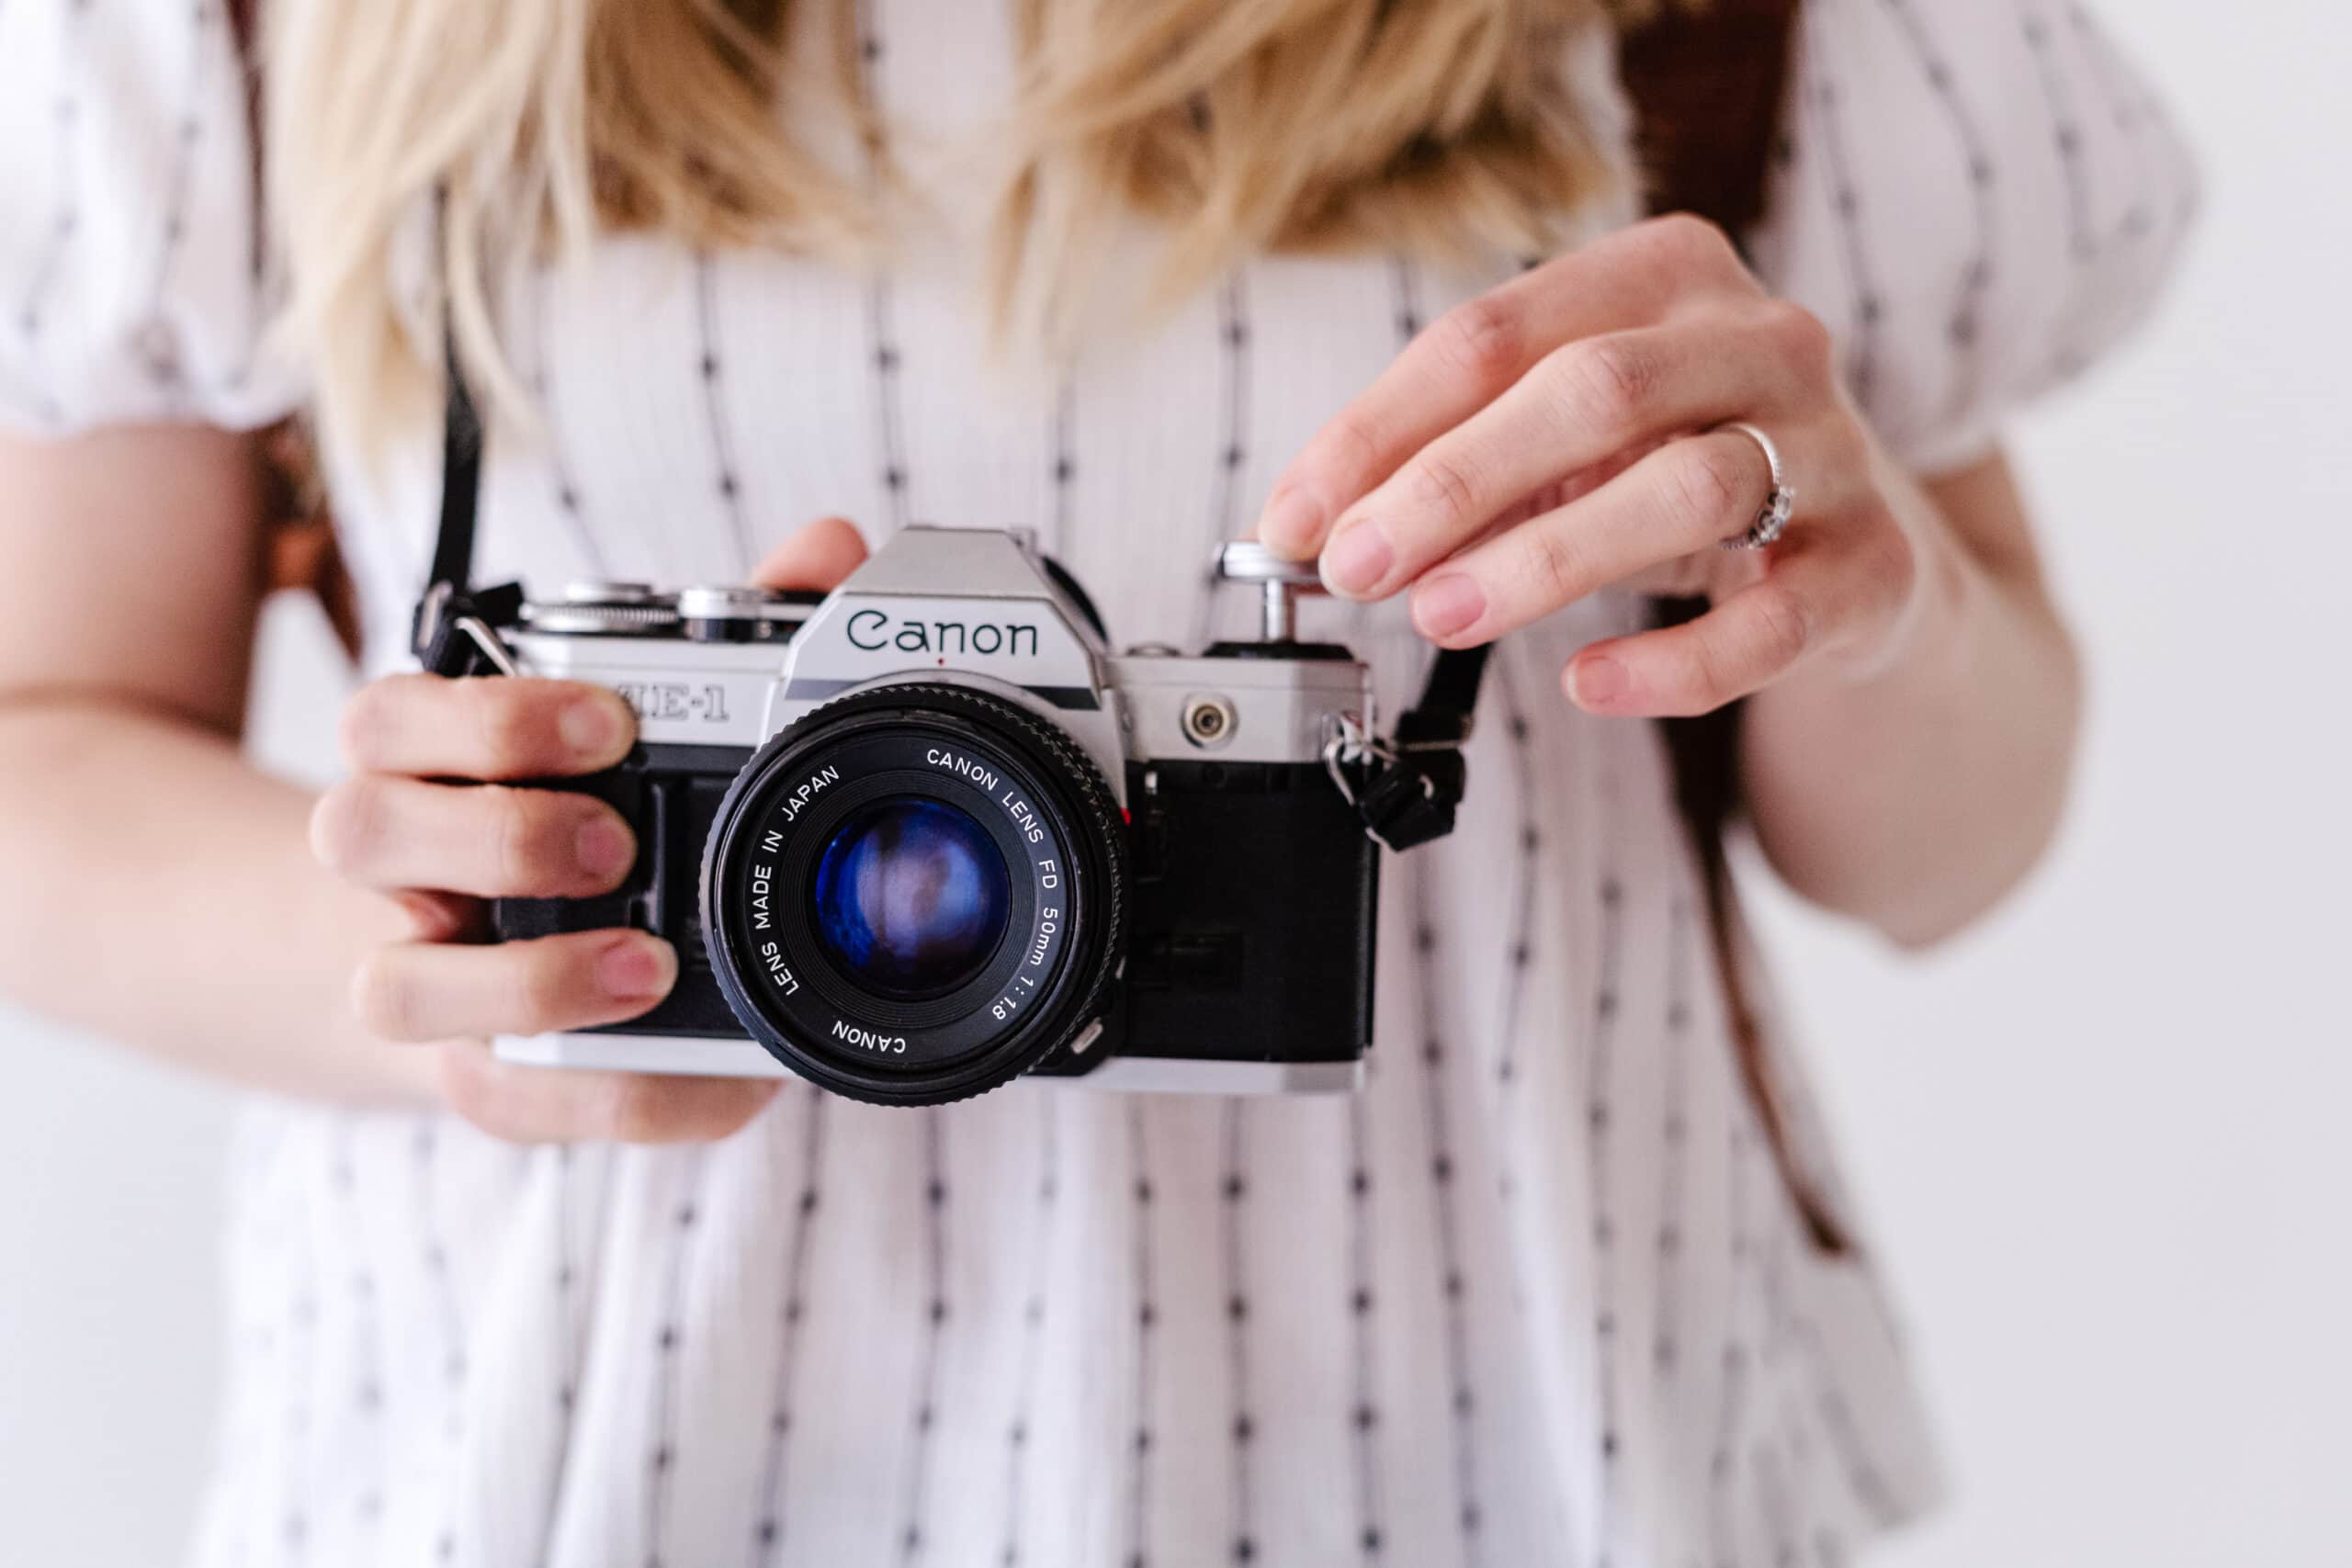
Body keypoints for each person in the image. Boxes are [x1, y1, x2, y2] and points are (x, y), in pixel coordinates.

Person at [0, 1, 2195, 1563]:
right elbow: (43, 754)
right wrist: (460, 938)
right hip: (571, 1458)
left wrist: (1862, 582)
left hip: (1505, 1451)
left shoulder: (1739, 27)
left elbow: (1947, 856)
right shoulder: (229, 40)